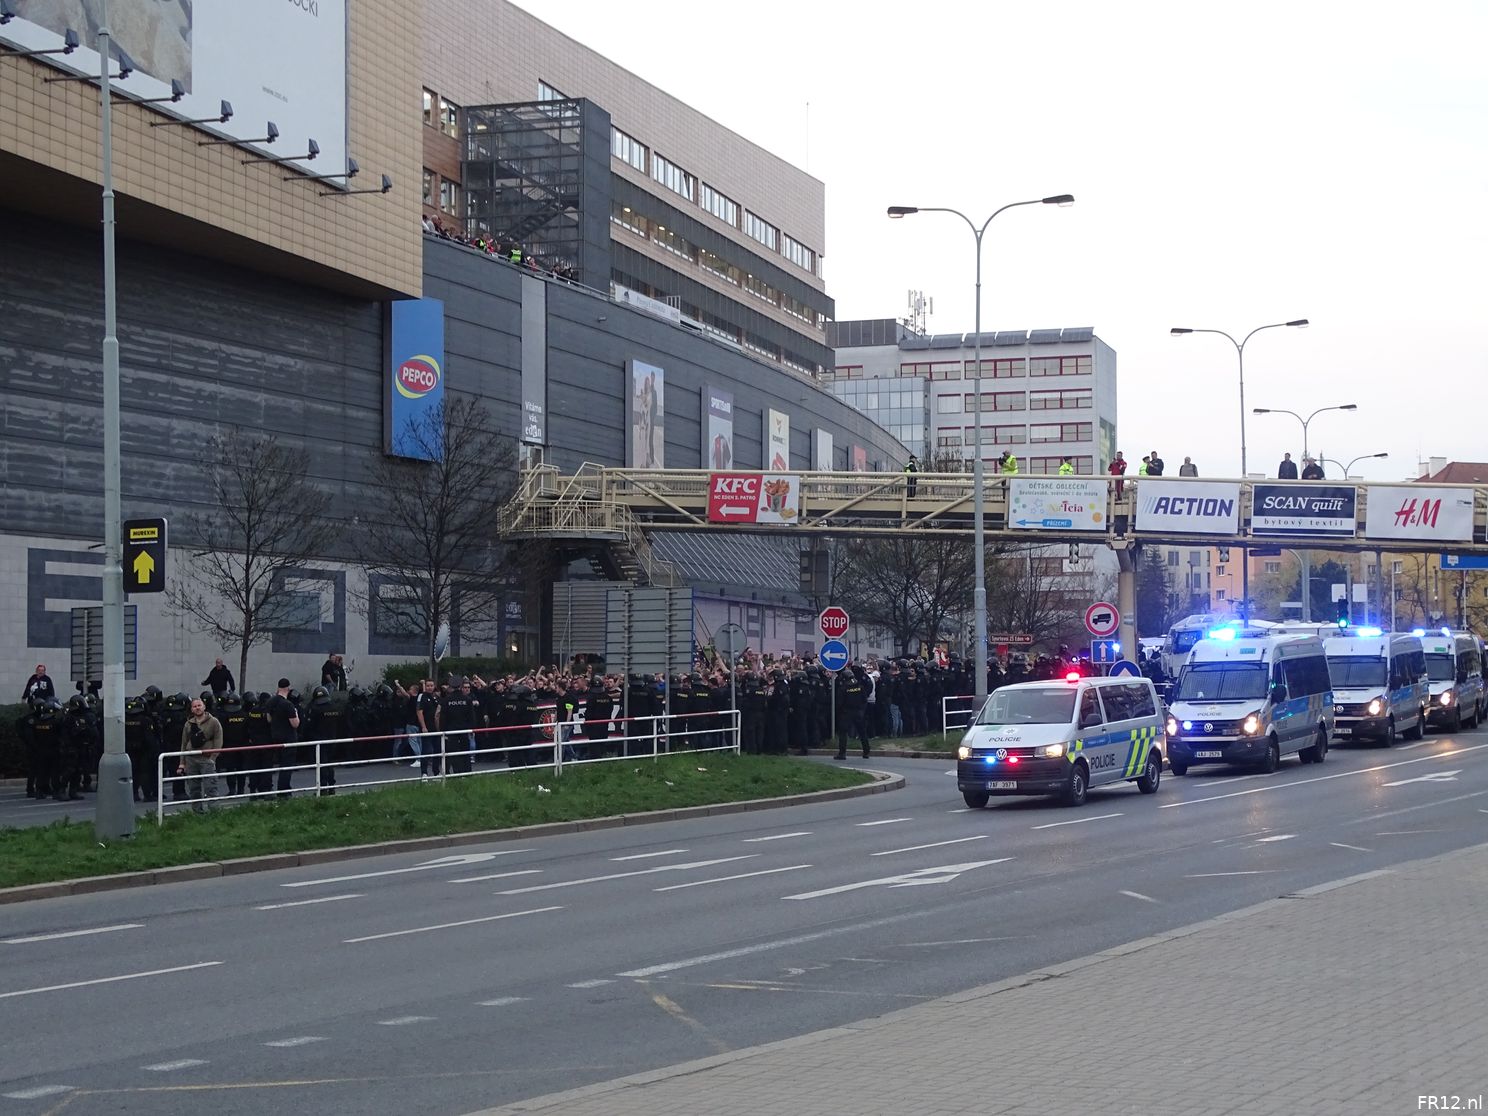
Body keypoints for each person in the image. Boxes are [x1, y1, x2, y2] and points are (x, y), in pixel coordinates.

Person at [176, 697, 223, 813]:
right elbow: (184, 743)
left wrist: (213, 757)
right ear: (191, 709)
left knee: (210, 786)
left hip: (206, 758)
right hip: (191, 758)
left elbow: (218, 740)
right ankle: (197, 812)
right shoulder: (188, 724)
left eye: (199, 705)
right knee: (193, 788)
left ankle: (214, 812)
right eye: (194, 706)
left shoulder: (214, 722)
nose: (197, 708)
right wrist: (182, 763)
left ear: (204, 707)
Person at [266, 678, 301, 798]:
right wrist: (296, 713)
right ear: (288, 688)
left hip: (275, 737)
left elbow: (269, 719)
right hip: (288, 738)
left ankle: (277, 789)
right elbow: (295, 724)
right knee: (287, 766)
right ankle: (284, 791)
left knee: (279, 764)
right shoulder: (288, 704)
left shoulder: (271, 702)